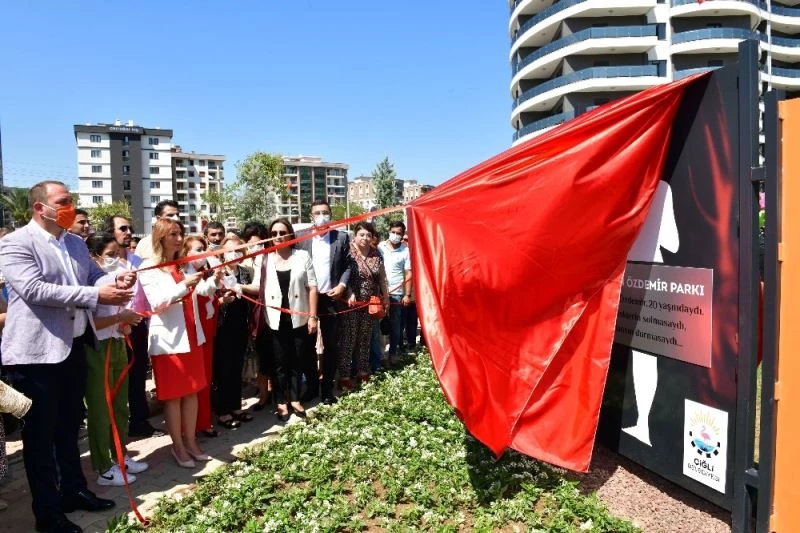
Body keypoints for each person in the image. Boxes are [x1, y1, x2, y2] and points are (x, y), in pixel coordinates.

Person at [0, 180, 136, 533]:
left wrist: (119, 280)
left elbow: (95, 277)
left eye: (72, 201)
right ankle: (47, 513)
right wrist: (96, 294)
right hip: (36, 355)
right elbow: (34, 290)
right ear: (39, 207)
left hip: (74, 348)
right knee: (40, 438)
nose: (71, 207)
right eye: (63, 201)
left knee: (69, 428)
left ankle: (74, 491)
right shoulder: (15, 243)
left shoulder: (74, 243)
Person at [138, 219, 219, 468]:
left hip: (192, 336)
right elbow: (157, 304)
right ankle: (178, 447)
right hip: (169, 341)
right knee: (174, 397)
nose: (178, 238)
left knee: (192, 391)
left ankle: (191, 441)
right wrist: (183, 286)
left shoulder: (184, 265)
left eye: (180, 233)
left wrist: (215, 277)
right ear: (160, 237)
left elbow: (204, 291)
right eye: (173, 233)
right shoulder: (150, 267)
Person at [83, 233, 149, 486]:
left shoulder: (119, 279)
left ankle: (121, 454)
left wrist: (127, 322)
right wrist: (120, 319)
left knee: (120, 406)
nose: (116, 260)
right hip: (97, 348)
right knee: (100, 409)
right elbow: (91, 323)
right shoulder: (91, 285)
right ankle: (103, 467)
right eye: (110, 256)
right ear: (94, 257)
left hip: (118, 344)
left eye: (118, 255)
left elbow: (123, 315)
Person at [243, 218, 317, 421]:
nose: (278, 236)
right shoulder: (263, 259)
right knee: (278, 363)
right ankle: (281, 401)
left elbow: (312, 287)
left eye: (282, 232)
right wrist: (236, 286)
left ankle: (294, 399)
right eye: (274, 233)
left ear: (290, 234)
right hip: (273, 320)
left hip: (298, 318)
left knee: (296, 361)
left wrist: (313, 316)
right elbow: (257, 287)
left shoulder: (302, 256)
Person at [102, 215, 164, 438]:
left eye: (130, 228)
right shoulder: (103, 264)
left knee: (137, 377)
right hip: (110, 329)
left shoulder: (138, 262)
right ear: (111, 232)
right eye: (123, 228)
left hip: (137, 326)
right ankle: (112, 432)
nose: (128, 232)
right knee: (115, 382)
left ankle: (139, 423)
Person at [296, 201, 351, 404]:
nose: (321, 216)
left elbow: (347, 266)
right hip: (306, 299)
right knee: (307, 345)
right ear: (311, 215)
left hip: (331, 298)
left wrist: (342, 286)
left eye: (325, 212)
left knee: (331, 345)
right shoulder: (301, 237)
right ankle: (311, 387)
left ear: (331, 215)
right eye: (317, 213)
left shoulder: (341, 237)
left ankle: (327, 389)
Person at [339, 222, 389, 389]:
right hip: (351, 303)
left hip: (370, 304)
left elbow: (382, 278)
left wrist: (386, 297)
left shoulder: (376, 254)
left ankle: (363, 372)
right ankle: (344, 376)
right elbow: (343, 275)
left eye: (368, 235)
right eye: (362, 235)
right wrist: (349, 292)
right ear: (355, 235)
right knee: (349, 339)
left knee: (365, 339)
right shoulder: (349, 253)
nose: (365, 238)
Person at [182, 235, 221, 438]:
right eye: (197, 249)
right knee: (196, 378)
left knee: (205, 376)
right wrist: (214, 280)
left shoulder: (202, 271)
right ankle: (195, 424)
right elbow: (203, 291)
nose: (201, 253)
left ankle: (203, 421)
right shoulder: (184, 273)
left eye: (203, 248)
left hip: (206, 329)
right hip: (193, 331)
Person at [214, 234, 254, 428]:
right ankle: (223, 411)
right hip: (222, 327)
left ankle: (236, 406)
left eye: (238, 250)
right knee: (224, 369)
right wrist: (223, 301)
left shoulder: (245, 272)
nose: (234, 254)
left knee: (237, 367)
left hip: (240, 325)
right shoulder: (217, 273)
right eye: (229, 250)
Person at [241, 221, 272, 410]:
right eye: (251, 244)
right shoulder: (241, 262)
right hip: (250, 316)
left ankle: (275, 392)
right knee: (258, 356)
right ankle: (263, 394)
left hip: (269, 313)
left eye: (259, 243)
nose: (255, 247)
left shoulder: (270, 258)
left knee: (272, 355)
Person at [378, 221, 412, 365]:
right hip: (380, 292)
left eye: (399, 233)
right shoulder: (380, 247)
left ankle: (392, 353)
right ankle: (379, 355)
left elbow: (408, 272)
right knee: (378, 325)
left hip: (397, 293)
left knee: (395, 326)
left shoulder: (405, 250)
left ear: (403, 234)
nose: (396, 235)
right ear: (389, 231)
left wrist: (407, 294)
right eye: (394, 232)